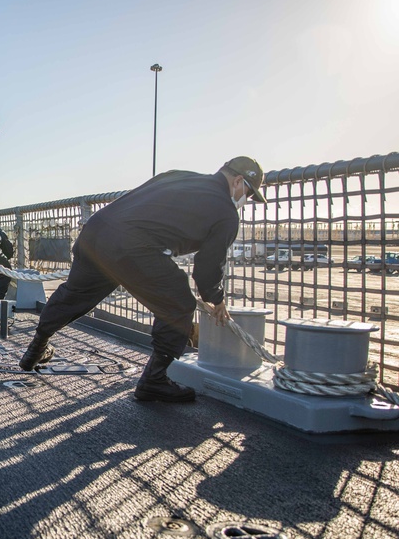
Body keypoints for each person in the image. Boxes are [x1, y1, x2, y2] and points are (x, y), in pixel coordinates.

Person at [17, 157, 267, 403]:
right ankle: (154, 380)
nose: (248, 199)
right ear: (238, 181)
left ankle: (35, 349)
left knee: (74, 295)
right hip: (132, 246)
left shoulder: (179, 175)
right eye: (250, 193)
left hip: (95, 232)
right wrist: (216, 299)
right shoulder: (226, 212)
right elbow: (208, 267)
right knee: (178, 305)